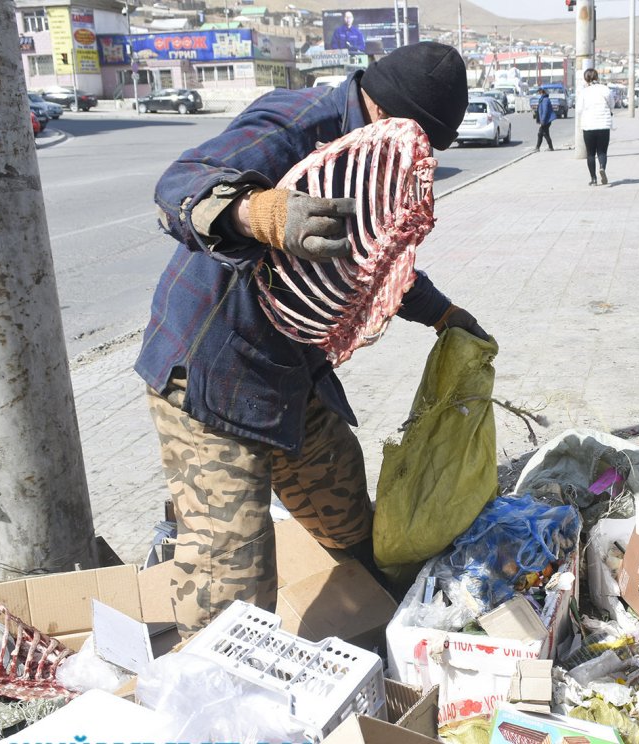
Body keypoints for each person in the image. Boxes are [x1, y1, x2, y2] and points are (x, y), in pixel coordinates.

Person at [136, 41, 488, 638]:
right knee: (233, 581)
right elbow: (179, 186)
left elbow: (369, 257)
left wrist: (441, 313)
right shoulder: (299, 122)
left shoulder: (379, 163)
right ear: (387, 116)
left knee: (350, 520)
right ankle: (222, 693)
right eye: (422, 143)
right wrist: (259, 214)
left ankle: (386, 631)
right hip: (212, 378)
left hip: (290, 379)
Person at [576, 68, 613, 186]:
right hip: (604, 125)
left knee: (590, 153)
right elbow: (611, 104)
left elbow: (579, 110)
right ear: (597, 77)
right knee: (602, 151)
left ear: (586, 79)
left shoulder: (584, 92)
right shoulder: (605, 89)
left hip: (589, 126)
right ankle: (602, 167)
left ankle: (593, 179)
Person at [534, 88, 556, 152]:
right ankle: (538, 147)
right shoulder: (542, 99)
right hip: (545, 120)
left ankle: (549, 147)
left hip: (546, 120)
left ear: (542, 92)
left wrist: (542, 121)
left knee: (543, 133)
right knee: (541, 133)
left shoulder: (545, 100)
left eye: (539, 92)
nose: (539, 94)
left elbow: (545, 111)